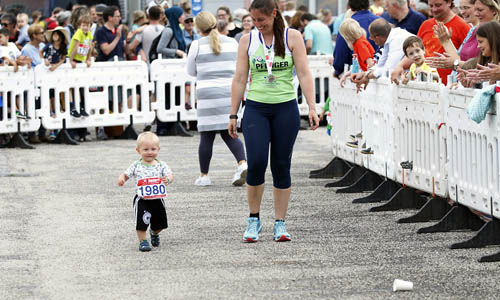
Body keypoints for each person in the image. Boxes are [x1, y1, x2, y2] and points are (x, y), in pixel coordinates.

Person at [228, 0, 319, 243]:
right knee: (256, 162)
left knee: (281, 165)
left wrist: (311, 106)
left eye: (262, 20)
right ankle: (254, 219)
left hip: (285, 108)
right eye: (254, 20)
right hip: (256, 108)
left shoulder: (293, 37)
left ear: (274, 14)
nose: (257, 25)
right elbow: (239, 78)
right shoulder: (247, 40)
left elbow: (303, 72)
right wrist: (233, 113)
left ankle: (280, 222)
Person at [186, 11, 248, 187]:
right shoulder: (232, 42)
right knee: (230, 132)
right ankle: (242, 163)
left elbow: (191, 71)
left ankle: (204, 176)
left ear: (198, 28)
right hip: (229, 92)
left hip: (207, 94)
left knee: (206, 137)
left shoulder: (196, 45)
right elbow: (240, 67)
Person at [117, 132, 174, 252]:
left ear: (158, 149)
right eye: (146, 149)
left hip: (157, 199)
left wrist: (168, 179)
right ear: (138, 150)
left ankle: (154, 232)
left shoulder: (161, 165)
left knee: (161, 223)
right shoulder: (136, 165)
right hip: (142, 199)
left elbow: (170, 175)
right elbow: (126, 174)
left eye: (153, 149)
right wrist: (122, 178)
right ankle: (143, 241)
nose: (150, 152)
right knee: (141, 221)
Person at [391, 0, 471, 85]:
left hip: (448, 86)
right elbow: (414, 49)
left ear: (449, 2)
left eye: (438, 5)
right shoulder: (426, 25)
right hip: (424, 85)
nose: (434, 9)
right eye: (431, 6)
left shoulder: (463, 26)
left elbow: (469, 61)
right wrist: (400, 66)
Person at [427, 0, 498, 76]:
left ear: (494, 10)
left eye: (480, 10)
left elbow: (486, 67)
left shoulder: (496, 33)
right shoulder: (473, 30)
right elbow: (459, 58)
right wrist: (445, 41)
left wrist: (455, 64)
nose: (476, 13)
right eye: (475, 9)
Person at [333, 0, 379, 77]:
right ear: (368, 4)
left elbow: (340, 58)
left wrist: (337, 71)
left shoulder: (347, 25)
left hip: (358, 75)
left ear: (349, 7)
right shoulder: (381, 21)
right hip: (380, 74)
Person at [457, 21, 500, 86]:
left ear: (492, 40)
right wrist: (468, 84)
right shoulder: (481, 63)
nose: (478, 46)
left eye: (481, 42)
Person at [338, 18, 375, 87]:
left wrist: (365, 76)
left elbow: (370, 62)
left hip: (370, 77)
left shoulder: (360, 44)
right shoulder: (357, 43)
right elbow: (357, 65)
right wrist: (346, 74)